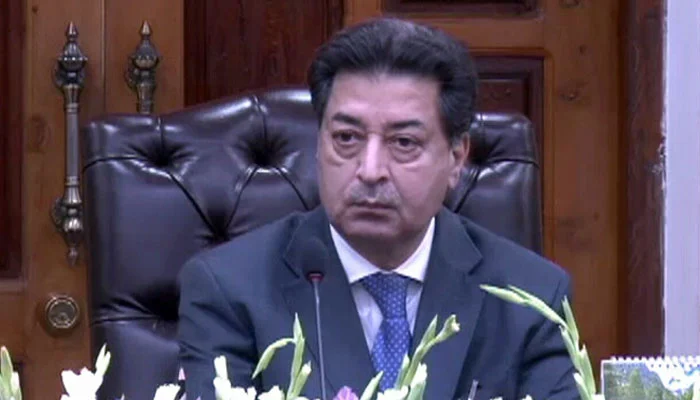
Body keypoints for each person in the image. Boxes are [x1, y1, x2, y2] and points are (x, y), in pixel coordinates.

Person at [177, 17, 579, 400]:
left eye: (404, 143)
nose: (370, 171)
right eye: (346, 138)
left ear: (456, 157)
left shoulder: (533, 298)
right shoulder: (230, 290)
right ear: (319, 143)